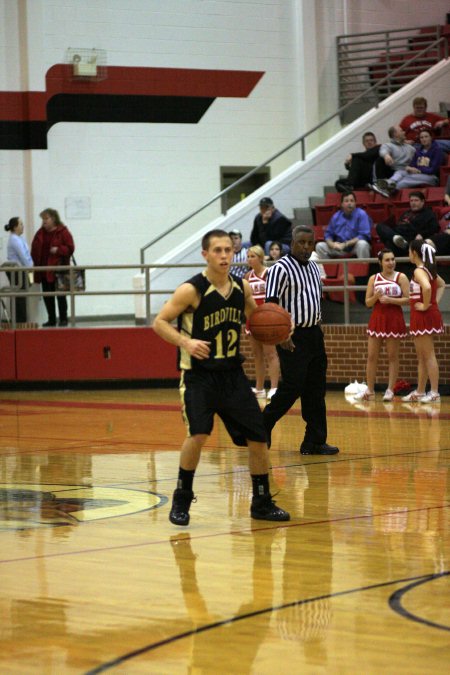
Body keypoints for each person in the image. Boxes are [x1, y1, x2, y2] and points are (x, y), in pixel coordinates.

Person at [152, 229, 290, 525]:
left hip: (231, 374)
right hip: (198, 376)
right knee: (199, 434)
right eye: (218, 250)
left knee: (258, 436)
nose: (225, 255)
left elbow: (257, 319)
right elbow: (159, 322)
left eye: (228, 250)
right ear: (205, 254)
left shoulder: (241, 288)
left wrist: (279, 332)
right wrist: (186, 342)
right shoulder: (191, 290)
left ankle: (262, 502)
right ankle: (182, 498)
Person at [263, 225, 339, 456]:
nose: (306, 247)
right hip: (291, 336)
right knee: (293, 386)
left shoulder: (315, 268)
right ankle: (261, 425)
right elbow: (271, 306)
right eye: (301, 243)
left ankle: (314, 441)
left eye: (310, 243)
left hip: (314, 333)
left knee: (316, 389)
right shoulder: (280, 269)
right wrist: (282, 335)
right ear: (292, 243)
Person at [354, 249, 409, 402]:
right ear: (380, 262)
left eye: (393, 259)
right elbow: (367, 303)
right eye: (387, 260)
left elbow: (408, 299)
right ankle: (370, 390)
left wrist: (391, 300)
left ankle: (390, 390)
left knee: (392, 356)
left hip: (394, 318)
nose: (391, 262)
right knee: (372, 356)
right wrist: (376, 296)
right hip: (377, 318)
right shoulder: (374, 278)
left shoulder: (401, 277)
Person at [401, 240, 445, 403]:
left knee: (428, 355)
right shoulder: (429, 269)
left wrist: (427, 304)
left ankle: (434, 392)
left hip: (424, 315)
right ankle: (420, 391)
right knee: (422, 356)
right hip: (422, 315)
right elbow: (441, 285)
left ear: (414, 253)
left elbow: (426, 288)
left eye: (409, 252)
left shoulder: (420, 270)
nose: (408, 255)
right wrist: (434, 303)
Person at [244, 245, 280, 401]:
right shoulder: (247, 277)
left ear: (260, 257)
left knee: (270, 353)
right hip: (252, 319)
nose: (249, 259)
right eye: (248, 256)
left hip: (267, 319)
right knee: (257, 354)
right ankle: (259, 388)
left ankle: (274, 387)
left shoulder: (269, 273)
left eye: (252, 256)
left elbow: (277, 297)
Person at [31, 208, 75, 327]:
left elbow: (70, 248)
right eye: (43, 219)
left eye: (46, 218)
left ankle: (63, 319)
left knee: (61, 296)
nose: (44, 221)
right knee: (48, 296)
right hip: (44, 270)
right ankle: (51, 319)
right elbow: (34, 248)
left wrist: (58, 250)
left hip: (59, 270)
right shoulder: (40, 233)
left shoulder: (63, 232)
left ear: (53, 219)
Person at [371, 130, 444, 196]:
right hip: (417, 174)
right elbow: (412, 165)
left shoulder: (437, 150)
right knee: (400, 172)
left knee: (405, 179)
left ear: (431, 137)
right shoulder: (418, 151)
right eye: (421, 137)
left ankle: (390, 189)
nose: (424, 139)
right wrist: (409, 168)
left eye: (426, 137)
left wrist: (419, 170)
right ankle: (386, 184)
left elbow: (433, 170)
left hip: (431, 177)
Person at [376, 191, 440, 256]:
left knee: (389, 243)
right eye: (411, 201)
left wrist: (422, 234)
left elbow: (435, 227)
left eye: (416, 200)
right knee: (379, 226)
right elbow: (398, 225)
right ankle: (395, 237)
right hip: (398, 234)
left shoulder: (428, 213)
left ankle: (396, 240)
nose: (413, 203)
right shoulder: (407, 212)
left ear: (422, 201)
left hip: (409, 238)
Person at [313, 192, 371, 260]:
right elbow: (328, 235)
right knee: (319, 246)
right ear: (342, 204)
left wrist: (346, 244)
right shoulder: (336, 216)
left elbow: (363, 235)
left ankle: (363, 269)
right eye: (346, 201)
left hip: (355, 246)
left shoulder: (361, 214)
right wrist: (333, 244)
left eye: (352, 201)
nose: (349, 203)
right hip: (339, 247)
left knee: (363, 244)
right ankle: (328, 270)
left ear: (355, 203)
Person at [370, 125, 416, 196]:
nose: (404, 132)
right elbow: (383, 151)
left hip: (407, 171)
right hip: (393, 171)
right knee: (380, 160)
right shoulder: (388, 145)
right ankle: (380, 184)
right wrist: (386, 156)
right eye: (401, 131)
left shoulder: (411, 148)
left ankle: (385, 186)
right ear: (395, 134)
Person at [4, 217, 34, 323]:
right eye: (21, 224)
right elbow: (23, 256)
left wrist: (31, 267)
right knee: (20, 296)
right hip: (17, 271)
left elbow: (27, 254)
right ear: (15, 227)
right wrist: (31, 268)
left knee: (22, 295)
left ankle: (21, 319)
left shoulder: (19, 238)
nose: (23, 226)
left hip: (22, 270)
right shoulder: (14, 239)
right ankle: (20, 320)